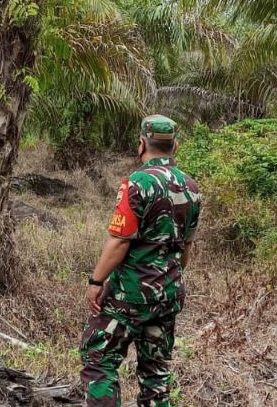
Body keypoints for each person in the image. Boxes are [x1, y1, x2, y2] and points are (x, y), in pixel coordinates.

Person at [79, 115, 203, 407]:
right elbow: (186, 250)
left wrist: (96, 282)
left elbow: (120, 241)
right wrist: (165, 280)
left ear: (141, 144)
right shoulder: (192, 187)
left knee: (99, 358)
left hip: (130, 294)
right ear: (176, 146)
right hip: (168, 293)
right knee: (157, 374)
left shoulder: (137, 183)